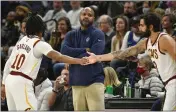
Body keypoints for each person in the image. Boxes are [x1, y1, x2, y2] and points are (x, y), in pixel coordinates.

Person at [86, 13, 176, 110]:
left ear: (150, 27)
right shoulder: (146, 42)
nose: (139, 27)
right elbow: (123, 53)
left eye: (142, 25)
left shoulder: (165, 39)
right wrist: (97, 58)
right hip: (168, 84)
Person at [1, 13, 87, 111]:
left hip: (9, 80)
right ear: (41, 30)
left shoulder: (22, 41)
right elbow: (59, 57)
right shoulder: (39, 43)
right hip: (22, 81)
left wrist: (3, 84)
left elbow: (8, 63)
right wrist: (78, 61)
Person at [61, 7, 105, 111]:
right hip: (76, 83)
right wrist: (85, 49)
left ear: (93, 18)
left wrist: (72, 56)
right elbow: (64, 51)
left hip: (94, 82)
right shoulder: (71, 34)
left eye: (89, 15)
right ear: (80, 16)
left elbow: (95, 53)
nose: (86, 16)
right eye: (84, 14)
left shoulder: (98, 33)